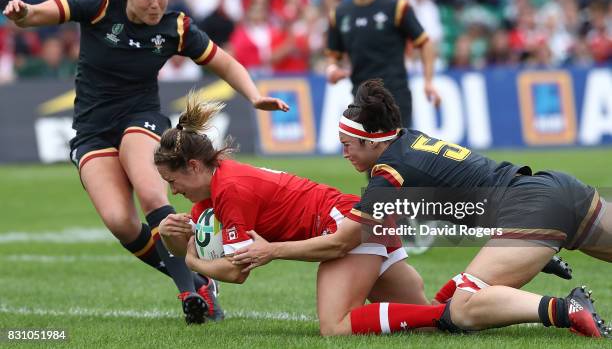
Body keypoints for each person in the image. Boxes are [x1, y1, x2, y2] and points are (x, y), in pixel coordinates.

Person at [2, 0, 288, 325]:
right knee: (120, 221)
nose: (155, 4)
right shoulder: (101, 4)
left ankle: (192, 292)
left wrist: (253, 95)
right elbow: (38, 14)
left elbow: (225, 62)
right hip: (92, 129)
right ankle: (198, 275)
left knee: (152, 194)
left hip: (141, 118)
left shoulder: (177, 27)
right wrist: (23, 13)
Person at [233, 80, 612, 338]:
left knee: (462, 309)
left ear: (372, 142)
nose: (343, 152)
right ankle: (536, 259)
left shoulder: (389, 174)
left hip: (530, 211)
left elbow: (340, 244)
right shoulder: (408, 141)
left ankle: (566, 310)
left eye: (349, 144)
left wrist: (272, 250)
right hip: (557, 189)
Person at [153, 91, 438, 336]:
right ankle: (461, 307)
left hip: (343, 227)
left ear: (193, 166)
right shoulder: (213, 190)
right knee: (427, 322)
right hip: (359, 218)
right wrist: (170, 236)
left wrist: (192, 262)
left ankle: (453, 310)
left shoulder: (229, 190)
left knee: (335, 326)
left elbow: (236, 271)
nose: (173, 192)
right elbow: (196, 250)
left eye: (172, 181)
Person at [325, 0, 440, 129]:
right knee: (367, 157)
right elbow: (333, 57)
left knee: (395, 155)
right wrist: (332, 71)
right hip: (360, 100)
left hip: (395, 99)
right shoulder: (338, 15)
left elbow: (425, 43)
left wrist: (428, 81)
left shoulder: (397, 8)